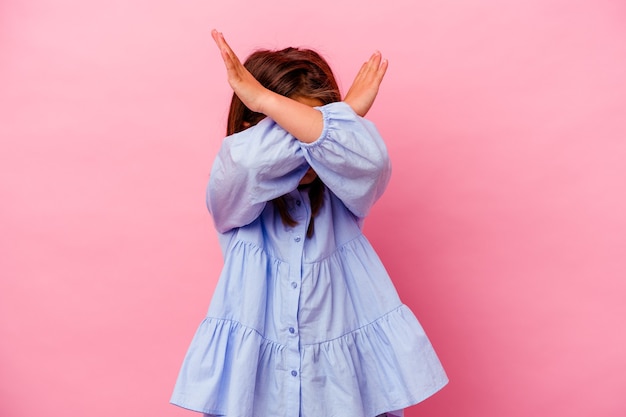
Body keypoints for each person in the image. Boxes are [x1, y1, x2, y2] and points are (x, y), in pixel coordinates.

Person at [170, 30, 448, 417]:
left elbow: (373, 162)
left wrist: (274, 106)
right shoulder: (233, 195)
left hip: (341, 389)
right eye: (285, 127)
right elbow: (250, 162)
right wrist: (338, 116)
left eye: (311, 126)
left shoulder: (345, 190)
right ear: (249, 129)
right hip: (260, 393)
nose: (306, 149)